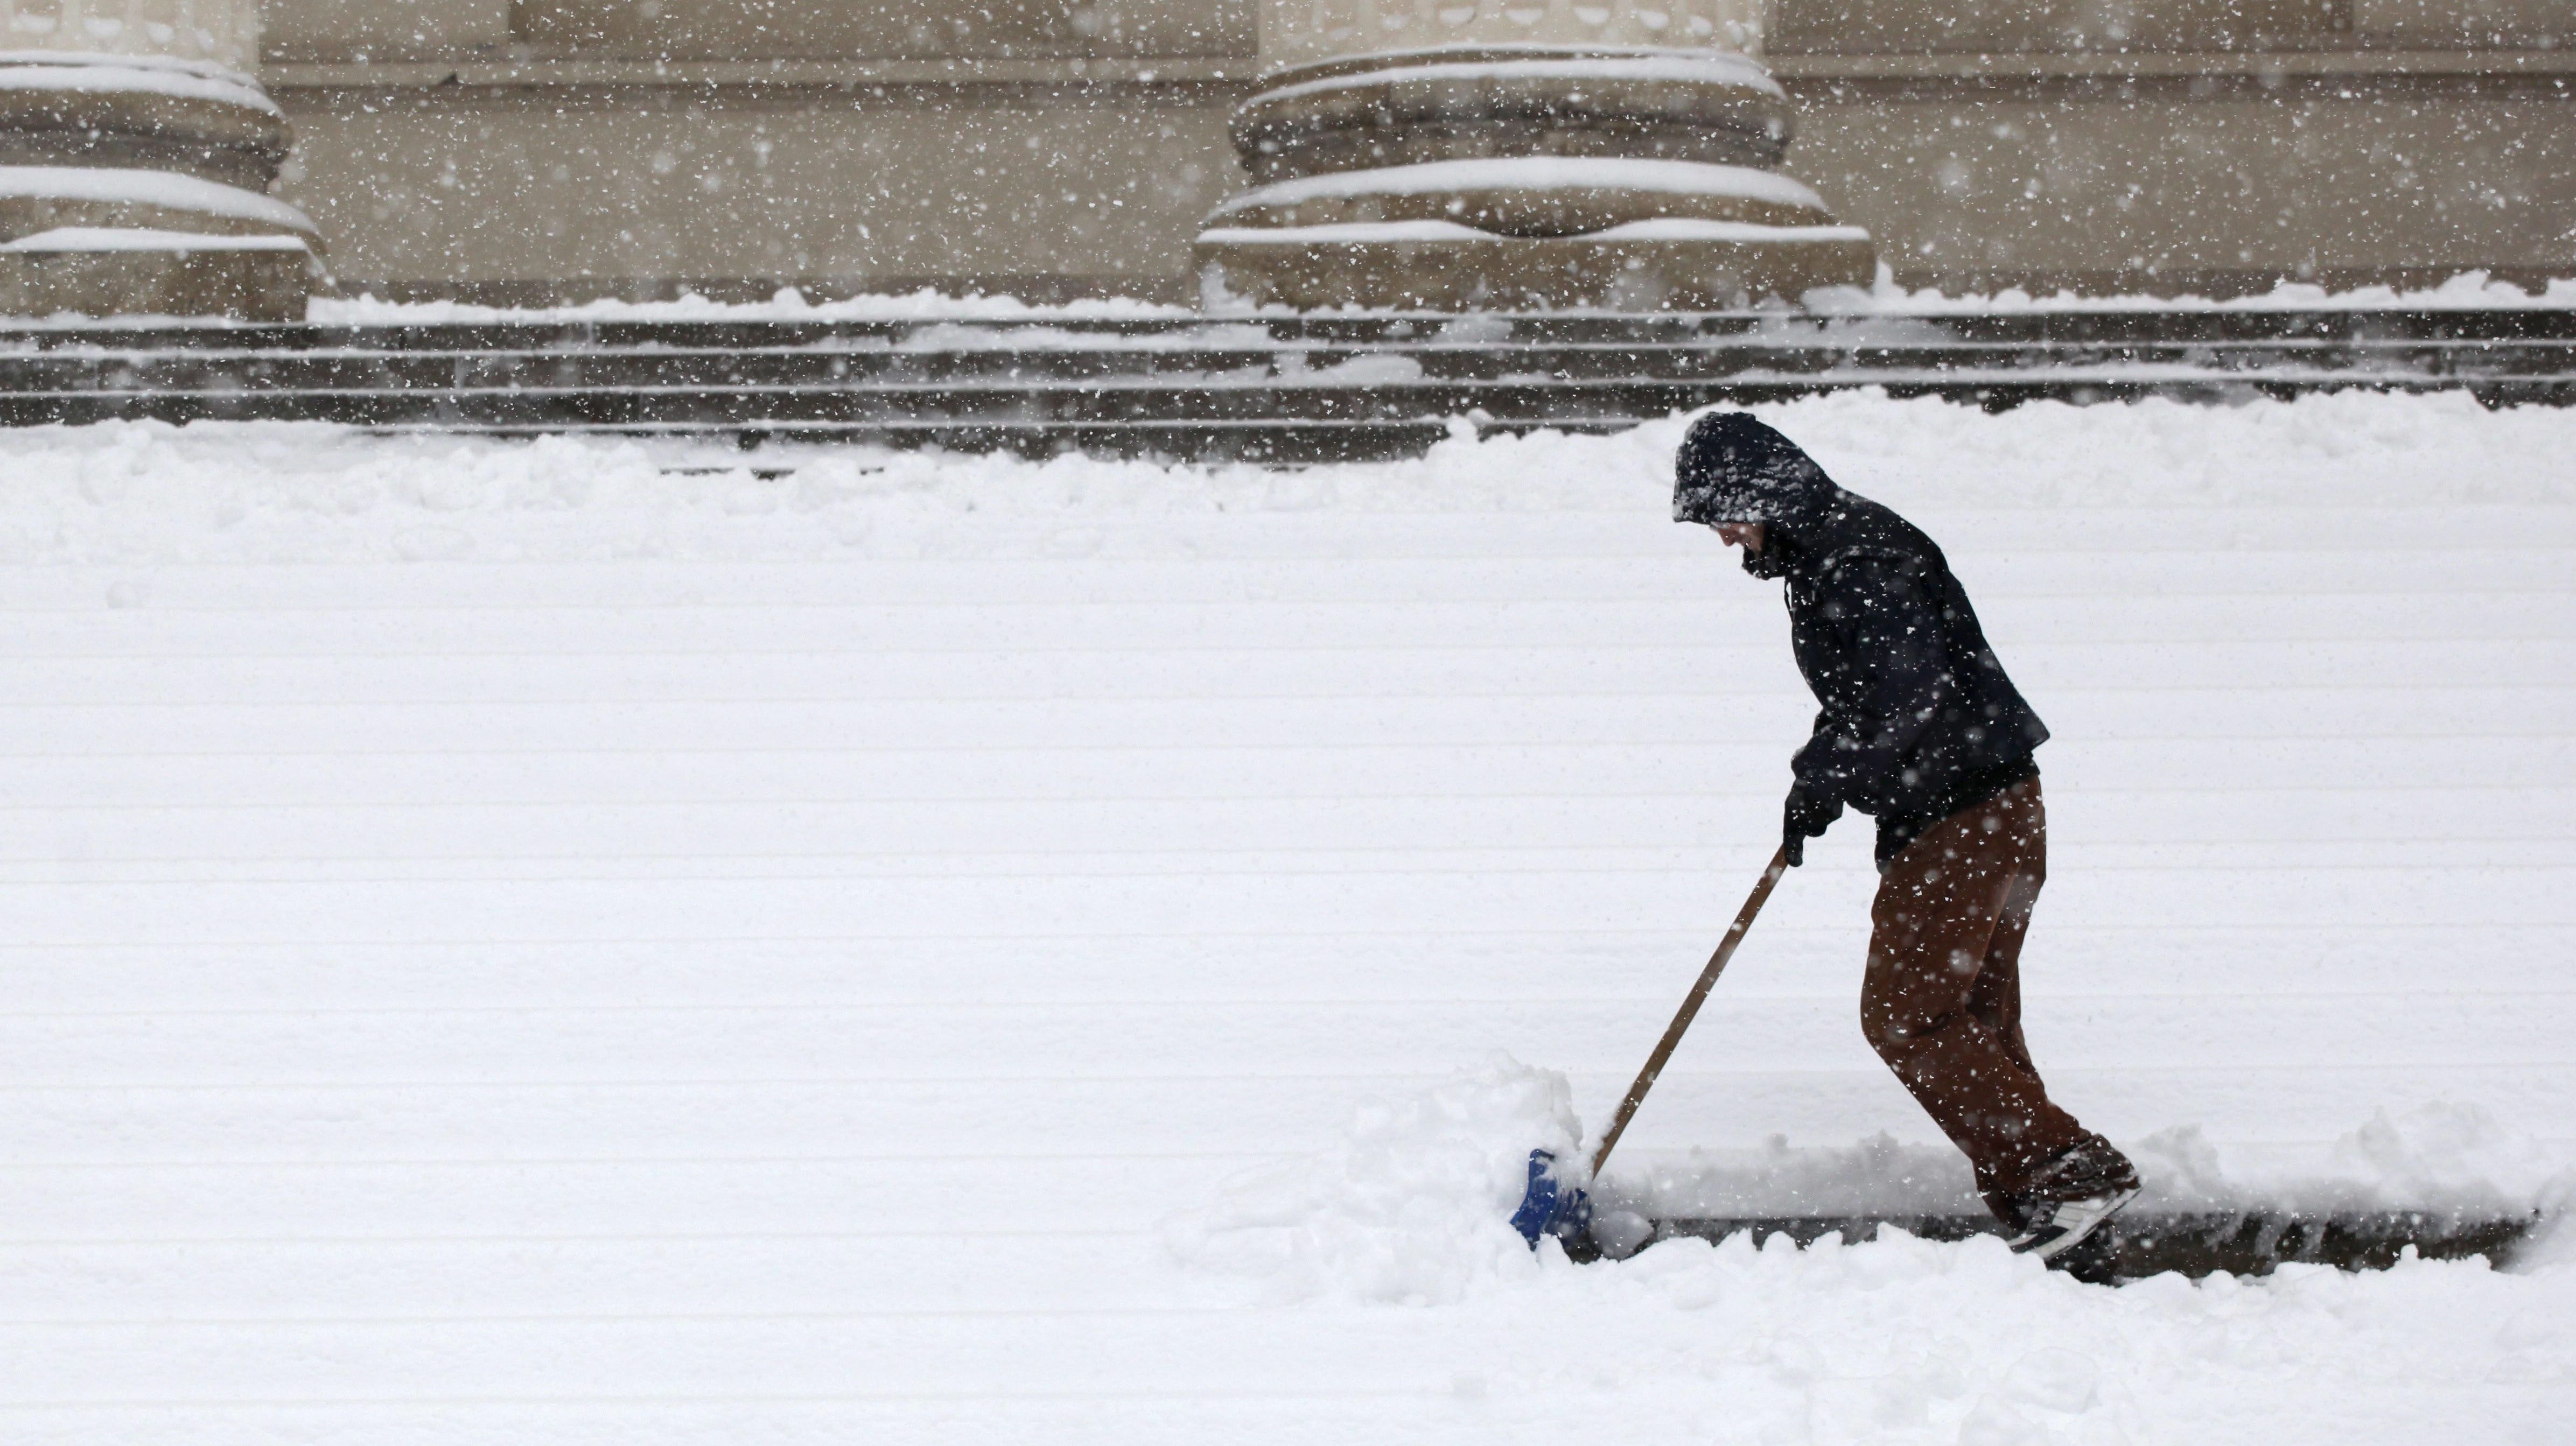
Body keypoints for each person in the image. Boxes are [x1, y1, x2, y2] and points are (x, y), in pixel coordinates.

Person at [1671, 411, 2139, 1266]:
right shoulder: (1833, 551)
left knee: (1909, 1016)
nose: (1725, 536)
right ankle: (2057, 1213)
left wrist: (1830, 774)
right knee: (1975, 1020)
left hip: (1960, 817)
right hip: (1995, 806)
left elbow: (1905, 696)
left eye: (1726, 513)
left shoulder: (1856, 560)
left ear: (1767, 492)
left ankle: (2067, 1178)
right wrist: (1818, 774)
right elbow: (1868, 694)